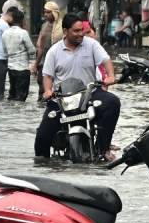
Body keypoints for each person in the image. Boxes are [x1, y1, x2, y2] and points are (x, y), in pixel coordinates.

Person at [35, 14, 120, 162]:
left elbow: (106, 60)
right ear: (65, 31)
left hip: (89, 94)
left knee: (113, 102)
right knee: (42, 138)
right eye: (76, 31)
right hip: (62, 99)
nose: (81, 34)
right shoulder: (54, 51)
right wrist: (48, 91)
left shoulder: (92, 45)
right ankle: (45, 166)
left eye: (82, 30)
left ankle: (103, 147)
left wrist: (110, 76)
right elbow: (47, 76)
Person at [2, 9, 35, 101]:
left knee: (12, 93)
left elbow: (4, 51)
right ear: (22, 21)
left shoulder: (5, 33)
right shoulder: (23, 33)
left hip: (11, 68)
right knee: (21, 96)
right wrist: (32, 61)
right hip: (22, 68)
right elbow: (31, 50)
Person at [33, 2, 58, 101]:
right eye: (45, 12)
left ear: (55, 13)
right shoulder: (44, 26)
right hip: (45, 62)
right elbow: (40, 47)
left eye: (48, 12)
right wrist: (35, 65)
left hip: (58, 63)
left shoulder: (61, 27)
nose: (45, 15)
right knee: (42, 91)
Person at [0, 7, 15, 100]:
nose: (13, 22)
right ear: (9, 15)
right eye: (13, 19)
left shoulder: (1, 23)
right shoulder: (3, 25)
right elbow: (12, 38)